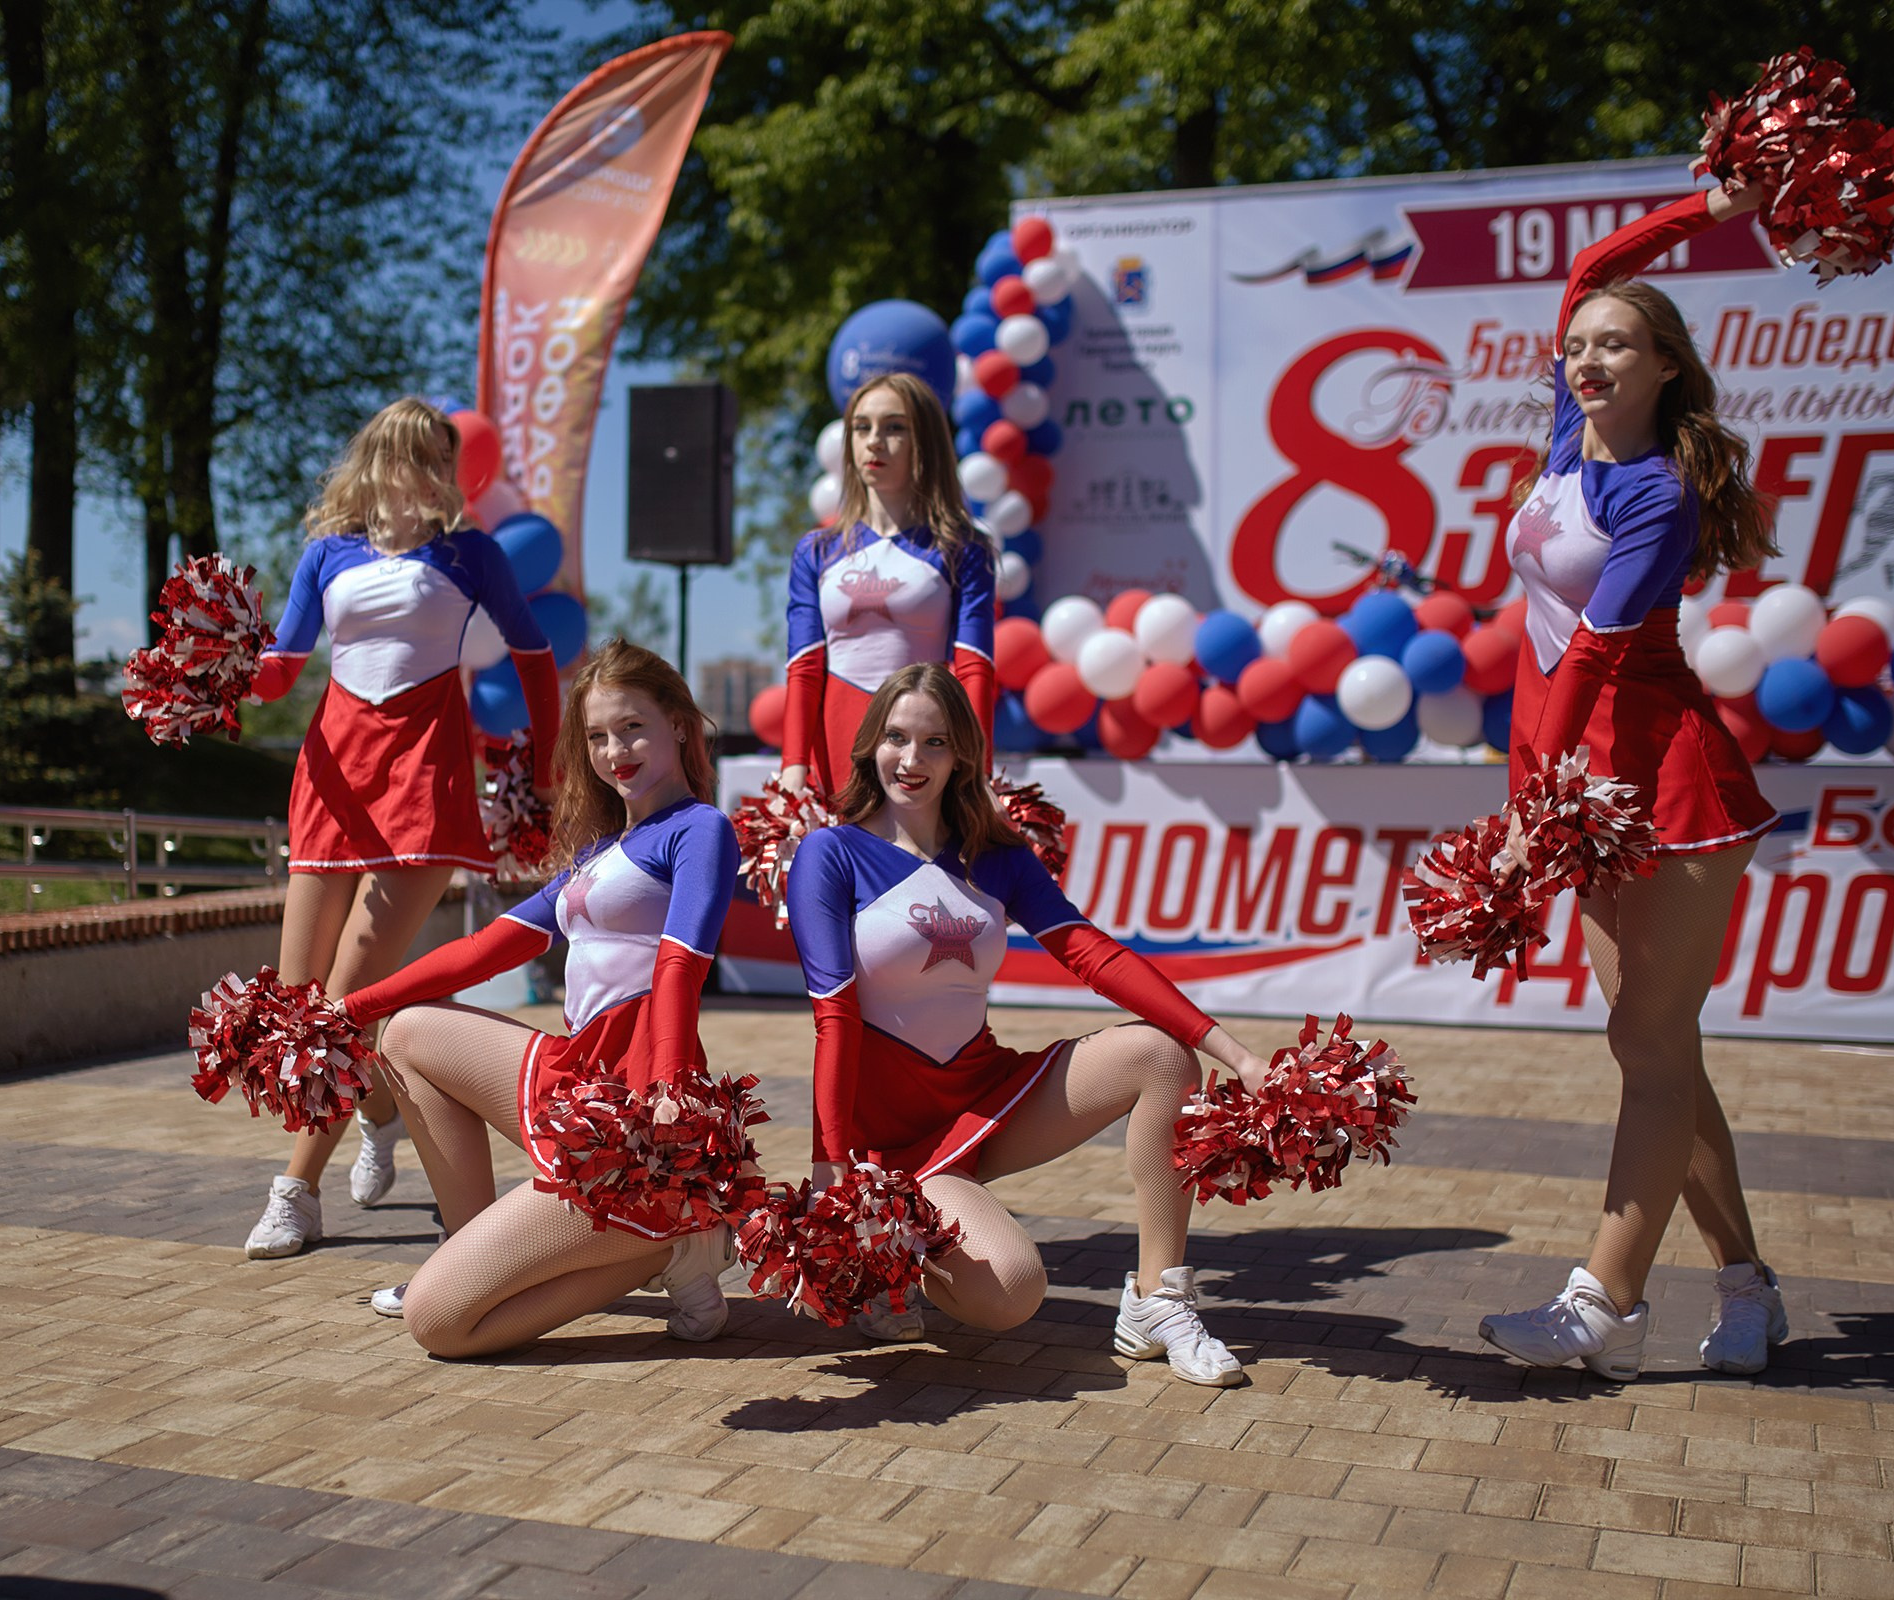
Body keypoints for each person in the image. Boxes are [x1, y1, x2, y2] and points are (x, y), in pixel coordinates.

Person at [1477, 182, 1789, 1381]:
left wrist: (1531, 811)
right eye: (1580, 345)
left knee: (1652, 1048)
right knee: (1655, 1050)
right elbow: (1598, 264)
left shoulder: (1658, 490)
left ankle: (1602, 1304)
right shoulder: (1572, 435)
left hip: (1665, 785)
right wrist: (1720, 198)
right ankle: (1747, 1285)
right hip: (1588, 793)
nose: (1590, 357)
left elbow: (1597, 657)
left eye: (1618, 344)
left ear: (1666, 367)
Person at [785, 660, 1266, 1385]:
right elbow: (834, 1017)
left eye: (935, 742)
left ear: (962, 756)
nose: (912, 759)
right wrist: (833, 1171)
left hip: (984, 1099)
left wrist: (1238, 1054)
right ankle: (896, 1252)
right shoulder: (832, 853)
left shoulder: (997, 858)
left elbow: (1094, 954)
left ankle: (1156, 1302)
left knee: (1162, 1058)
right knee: (1011, 1295)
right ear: (870, 744)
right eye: (896, 737)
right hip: (893, 1144)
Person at [337, 639, 742, 1353]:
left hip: (631, 1105)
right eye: (597, 736)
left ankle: (673, 1242)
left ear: (679, 726)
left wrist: (666, 1099)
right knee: (405, 1032)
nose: (614, 750)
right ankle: (466, 1244)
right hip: (575, 1075)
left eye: (632, 727)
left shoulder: (699, 829)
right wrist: (349, 1010)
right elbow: (482, 950)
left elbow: (679, 971)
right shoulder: (601, 852)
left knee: (439, 1324)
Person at [240, 397, 562, 1260]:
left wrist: (547, 766)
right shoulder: (327, 553)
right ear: (377, 462)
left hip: (425, 777)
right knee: (298, 998)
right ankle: (378, 1111)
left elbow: (535, 656)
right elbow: (279, 673)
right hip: (332, 780)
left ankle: (296, 1192)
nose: (429, 474)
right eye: (412, 456)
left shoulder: (470, 553)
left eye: (440, 459)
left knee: (346, 1000)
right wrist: (219, 668)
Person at [781, 373, 997, 799]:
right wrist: (792, 769)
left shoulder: (963, 549)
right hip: (837, 751)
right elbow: (803, 669)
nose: (874, 441)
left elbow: (974, 666)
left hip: (923, 750)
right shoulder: (816, 551)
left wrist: (979, 773)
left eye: (894, 427)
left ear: (926, 441)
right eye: (862, 428)